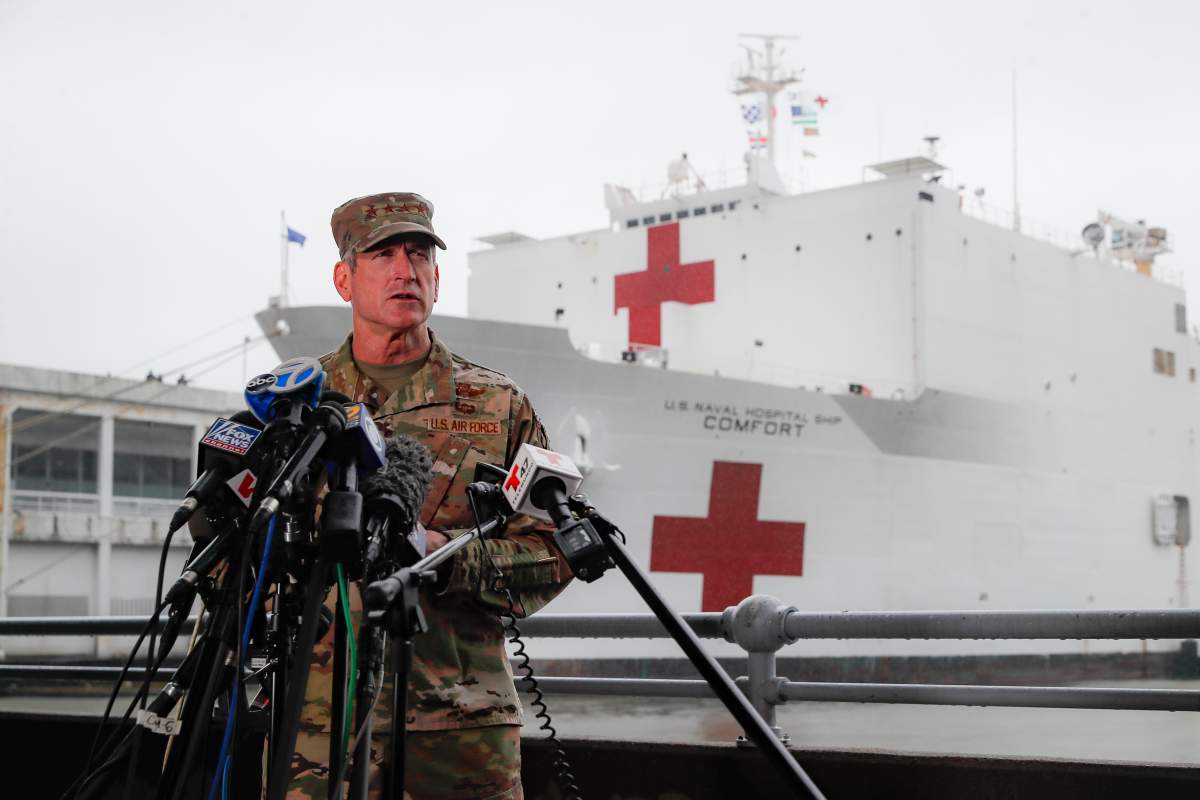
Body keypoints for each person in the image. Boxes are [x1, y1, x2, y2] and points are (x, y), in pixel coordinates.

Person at [286, 192, 573, 799]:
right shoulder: (298, 405)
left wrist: (443, 556)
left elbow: (556, 550)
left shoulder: (499, 406)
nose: (405, 270)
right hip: (316, 727)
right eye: (383, 254)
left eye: (419, 254)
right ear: (344, 279)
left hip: (459, 728)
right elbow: (238, 552)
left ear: (437, 281)